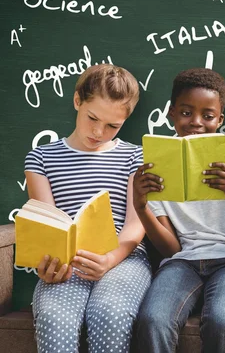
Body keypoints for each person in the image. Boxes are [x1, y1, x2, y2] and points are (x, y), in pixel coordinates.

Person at [25, 64, 150, 353]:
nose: (98, 132)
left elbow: (135, 224)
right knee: (55, 319)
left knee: (109, 313)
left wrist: (109, 259)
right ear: (77, 101)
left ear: (125, 120)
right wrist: (50, 266)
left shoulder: (134, 156)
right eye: (92, 118)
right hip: (66, 263)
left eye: (112, 126)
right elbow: (48, 225)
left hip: (123, 258)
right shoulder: (41, 158)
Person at [134, 68, 225, 353]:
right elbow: (170, 249)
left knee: (224, 321)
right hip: (182, 261)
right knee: (153, 319)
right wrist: (141, 208)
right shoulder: (157, 165)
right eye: (186, 113)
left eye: (208, 116)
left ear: (220, 120)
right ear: (171, 113)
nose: (196, 123)